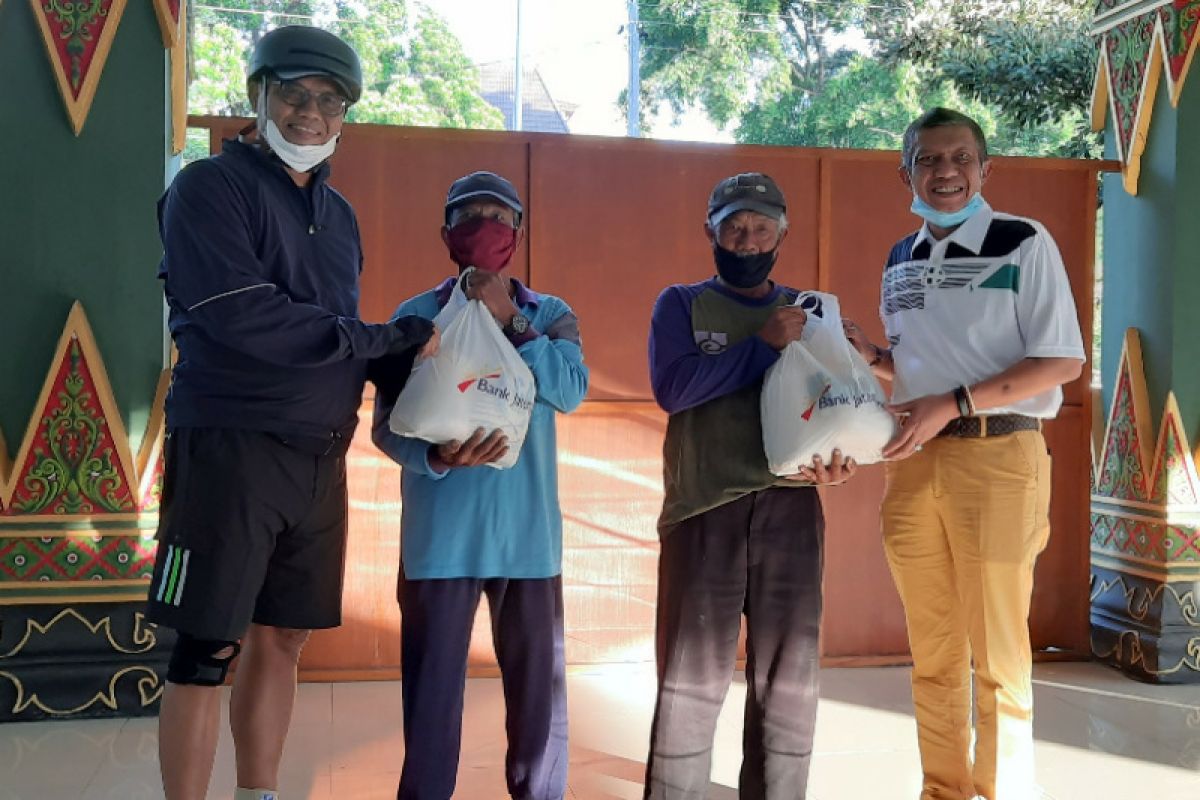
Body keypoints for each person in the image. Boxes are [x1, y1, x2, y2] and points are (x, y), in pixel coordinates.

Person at [145, 26, 436, 800]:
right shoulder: (209, 188)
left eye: (330, 100)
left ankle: (259, 792)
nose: (312, 113)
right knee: (208, 646)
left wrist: (424, 370)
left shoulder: (339, 216)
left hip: (320, 457)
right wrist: (380, 337)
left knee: (285, 635)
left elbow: (339, 341)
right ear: (257, 95)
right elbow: (244, 315)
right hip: (230, 450)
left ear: (346, 115)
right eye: (294, 95)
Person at [843, 107, 1085, 800]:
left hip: (1000, 458)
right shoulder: (901, 257)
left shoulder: (1021, 241)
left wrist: (952, 403)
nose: (944, 171)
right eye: (927, 159)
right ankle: (944, 790)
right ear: (906, 171)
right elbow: (925, 370)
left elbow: (1062, 362)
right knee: (933, 655)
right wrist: (876, 360)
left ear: (985, 169)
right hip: (916, 467)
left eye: (959, 158)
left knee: (1000, 657)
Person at [372, 171, 589, 800]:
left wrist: (511, 319)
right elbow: (387, 429)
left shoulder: (551, 314)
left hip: (528, 541)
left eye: (501, 217)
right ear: (446, 235)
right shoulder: (414, 317)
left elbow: (569, 392)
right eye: (471, 216)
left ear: (517, 236)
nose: (487, 227)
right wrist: (435, 456)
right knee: (432, 705)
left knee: (538, 710)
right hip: (440, 543)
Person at [643, 172, 857, 800]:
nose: (747, 240)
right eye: (734, 227)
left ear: (782, 234)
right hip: (702, 507)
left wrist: (841, 460)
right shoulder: (680, 303)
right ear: (710, 230)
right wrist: (762, 346)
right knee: (689, 684)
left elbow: (836, 403)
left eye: (761, 228)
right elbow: (674, 388)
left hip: (791, 512)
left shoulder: (808, 310)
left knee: (788, 684)